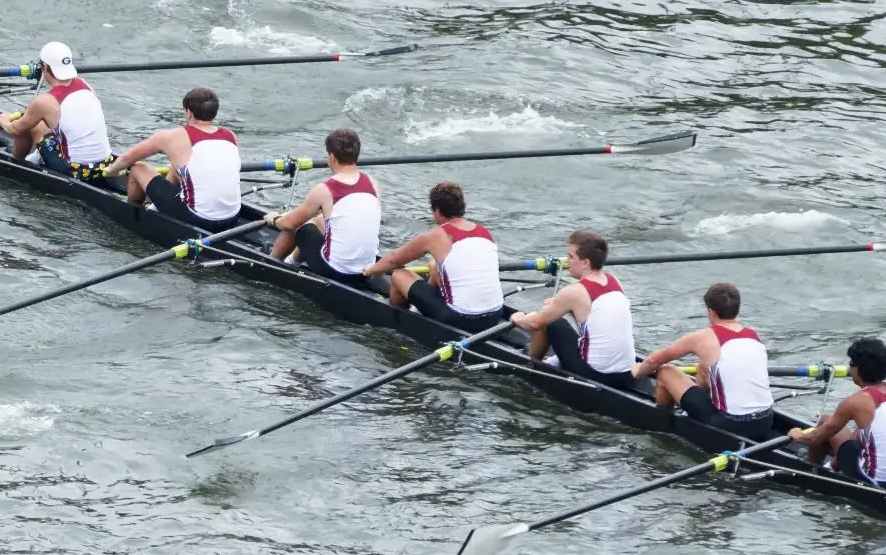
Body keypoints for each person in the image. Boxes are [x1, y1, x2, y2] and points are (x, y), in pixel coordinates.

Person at [634, 281, 774, 431]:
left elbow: (654, 360)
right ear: (737, 309)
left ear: (711, 312)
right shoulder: (754, 336)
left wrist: (636, 372)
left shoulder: (703, 338)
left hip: (730, 424)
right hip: (766, 420)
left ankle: (661, 425)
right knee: (703, 365)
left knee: (666, 371)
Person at [365, 181, 505, 325]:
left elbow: (393, 260)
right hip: (496, 313)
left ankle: (399, 322)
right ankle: (421, 308)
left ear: (437, 211)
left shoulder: (434, 236)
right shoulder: (484, 231)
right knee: (434, 265)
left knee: (398, 274)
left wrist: (370, 270)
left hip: (460, 317)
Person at [510, 231, 637, 388]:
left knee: (552, 322)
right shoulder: (615, 282)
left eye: (571, 257)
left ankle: (531, 365)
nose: (566, 261)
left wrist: (518, 318)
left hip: (596, 376)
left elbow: (535, 323)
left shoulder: (575, 291)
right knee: (559, 319)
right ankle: (551, 361)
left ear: (585, 263)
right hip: (627, 374)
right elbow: (593, 319)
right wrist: (564, 307)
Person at [109, 87, 243, 231]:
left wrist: (112, 170)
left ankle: (134, 216)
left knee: (137, 167)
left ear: (189, 113)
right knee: (177, 164)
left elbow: (127, 159)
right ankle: (157, 206)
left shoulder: (172, 137)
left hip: (199, 219)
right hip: (232, 217)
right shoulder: (230, 135)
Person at [258, 128, 380, 286]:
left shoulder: (324, 190)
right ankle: (290, 262)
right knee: (319, 220)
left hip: (337, 273)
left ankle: (272, 264)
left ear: (331, 157)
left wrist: (275, 219)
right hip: (366, 272)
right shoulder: (373, 184)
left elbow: (288, 224)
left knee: (304, 227)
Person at [792, 337, 886, 485]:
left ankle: (811, 472)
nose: (849, 369)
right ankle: (828, 467)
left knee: (825, 427)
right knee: (829, 421)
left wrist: (797, 435)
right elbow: (861, 436)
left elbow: (815, 438)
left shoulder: (854, 402)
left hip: (874, 481)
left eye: (851, 364)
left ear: (858, 369)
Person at [0, 41, 111, 172]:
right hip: (106, 164)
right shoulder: (84, 84)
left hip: (75, 170)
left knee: (28, 121)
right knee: (47, 120)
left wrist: (3, 120)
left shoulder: (44, 102)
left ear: (44, 67)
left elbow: (15, 129)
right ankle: (38, 156)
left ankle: (17, 162)